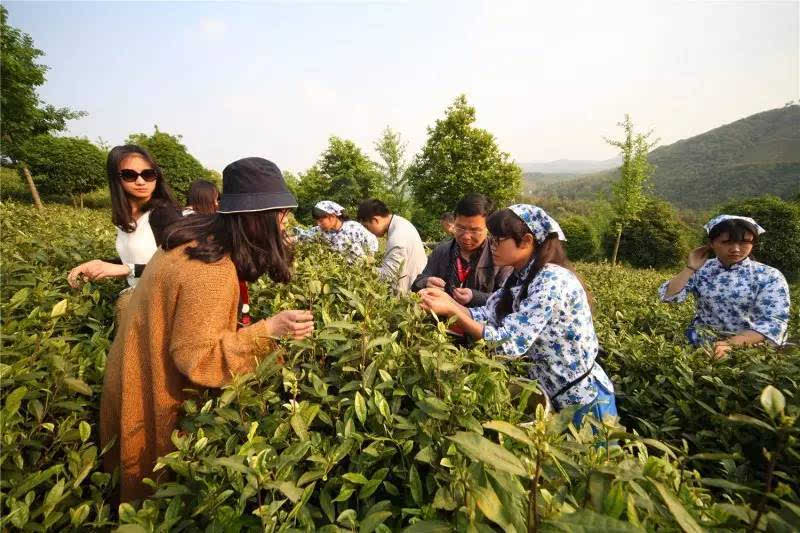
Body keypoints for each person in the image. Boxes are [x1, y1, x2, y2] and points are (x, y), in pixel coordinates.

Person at [100, 157, 314, 503]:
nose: (285, 224)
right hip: (153, 390)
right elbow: (197, 355)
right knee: (153, 499)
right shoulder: (211, 269)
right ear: (256, 219)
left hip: (132, 372)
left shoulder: (197, 239)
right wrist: (269, 330)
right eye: (280, 215)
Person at [418, 204, 617, 427]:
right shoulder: (520, 276)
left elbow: (508, 343)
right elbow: (487, 313)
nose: (491, 246)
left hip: (584, 401)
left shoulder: (551, 281)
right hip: (549, 395)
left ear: (526, 241)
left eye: (497, 240)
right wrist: (446, 303)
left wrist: (454, 311)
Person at [659, 215, 790, 358]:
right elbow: (669, 297)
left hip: (750, 345)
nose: (736, 249)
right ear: (711, 243)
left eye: (745, 242)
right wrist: (690, 267)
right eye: (726, 242)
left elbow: (774, 322)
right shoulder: (702, 269)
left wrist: (731, 344)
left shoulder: (769, 275)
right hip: (702, 342)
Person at [67, 145, 179, 289]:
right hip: (139, 297)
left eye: (148, 174)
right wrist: (99, 265)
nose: (141, 181)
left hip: (162, 302)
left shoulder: (164, 213)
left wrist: (126, 269)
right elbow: (135, 261)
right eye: (130, 175)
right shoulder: (125, 218)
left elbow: (178, 267)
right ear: (116, 179)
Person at [412, 194, 512, 307]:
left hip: (480, 324)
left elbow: (508, 299)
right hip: (442, 322)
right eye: (460, 228)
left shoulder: (500, 256)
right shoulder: (442, 251)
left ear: (488, 228)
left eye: (475, 230)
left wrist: (475, 297)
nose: (466, 236)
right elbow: (417, 283)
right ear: (454, 222)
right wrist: (426, 282)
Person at [357, 199, 427, 293]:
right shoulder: (401, 223)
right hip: (418, 285)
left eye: (367, 226)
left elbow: (388, 276)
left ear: (375, 220)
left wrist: (364, 267)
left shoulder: (397, 238)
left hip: (410, 295)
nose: (368, 231)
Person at [296, 200, 378, 261]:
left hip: (360, 271)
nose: (318, 224)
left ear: (332, 216)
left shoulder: (353, 227)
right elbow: (302, 236)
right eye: (317, 221)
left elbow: (371, 240)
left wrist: (369, 259)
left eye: (321, 221)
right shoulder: (320, 231)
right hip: (339, 274)